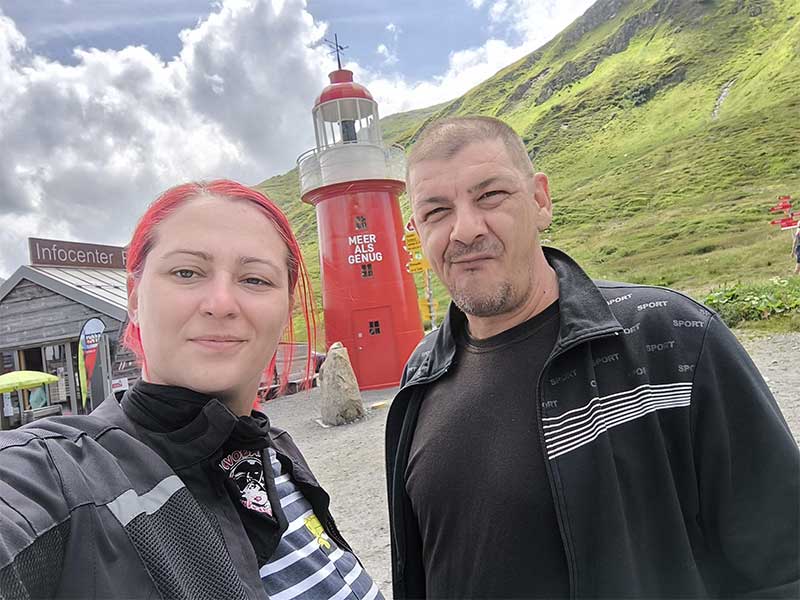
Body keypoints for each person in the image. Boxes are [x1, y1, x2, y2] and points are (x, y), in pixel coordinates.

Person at [385, 116, 800, 599]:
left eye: (490, 196)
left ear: (540, 200)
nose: (465, 230)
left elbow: (784, 565)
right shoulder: (421, 376)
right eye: (437, 211)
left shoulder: (671, 336)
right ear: (417, 230)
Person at [0, 180, 382, 600]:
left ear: (285, 307)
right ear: (134, 299)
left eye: (255, 279)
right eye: (186, 272)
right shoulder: (57, 474)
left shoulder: (275, 451)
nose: (221, 303)